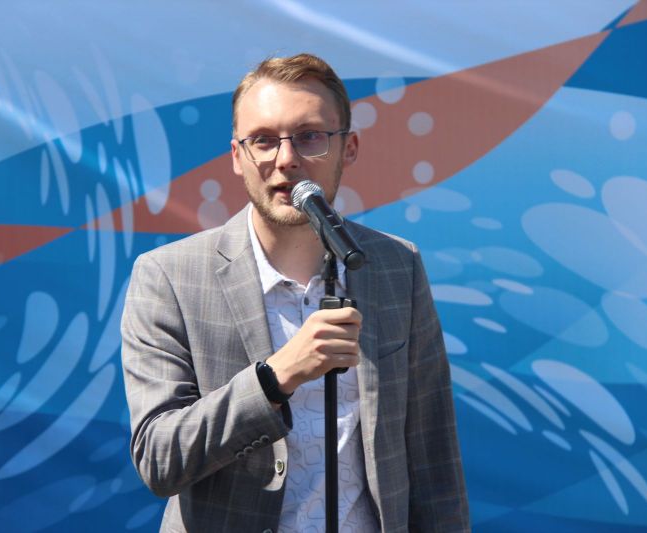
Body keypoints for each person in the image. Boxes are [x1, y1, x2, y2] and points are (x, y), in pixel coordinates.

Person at [121, 53, 470, 532]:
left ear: (348, 148)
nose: (286, 159)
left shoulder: (396, 266)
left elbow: (434, 459)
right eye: (263, 140)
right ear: (237, 156)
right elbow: (159, 459)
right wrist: (275, 378)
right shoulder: (169, 275)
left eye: (310, 137)